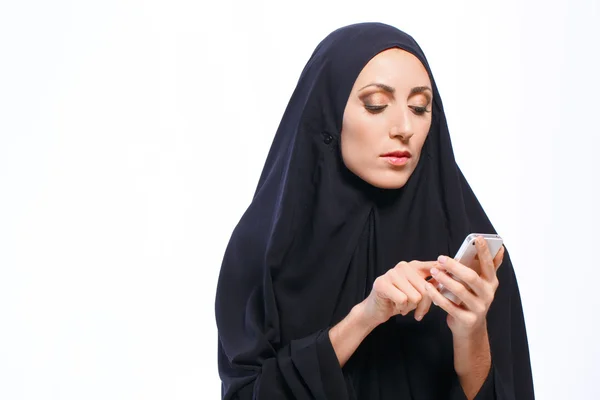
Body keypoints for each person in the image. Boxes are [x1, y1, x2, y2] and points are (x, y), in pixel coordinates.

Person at [214, 22, 534, 400]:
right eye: (376, 104)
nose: (404, 128)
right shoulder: (264, 247)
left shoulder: (471, 257)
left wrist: (472, 331)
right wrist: (366, 316)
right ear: (330, 114)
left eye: (419, 108)